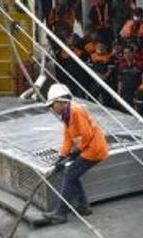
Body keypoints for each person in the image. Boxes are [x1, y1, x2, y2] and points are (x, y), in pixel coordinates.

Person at [44, 84, 109, 224]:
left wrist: (75, 152)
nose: (52, 108)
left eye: (52, 104)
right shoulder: (66, 115)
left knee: (69, 174)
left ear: (61, 102)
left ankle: (61, 212)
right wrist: (62, 156)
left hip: (94, 149)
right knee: (72, 175)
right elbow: (68, 138)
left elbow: (87, 134)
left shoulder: (76, 111)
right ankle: (83, 206)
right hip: (88, 148)